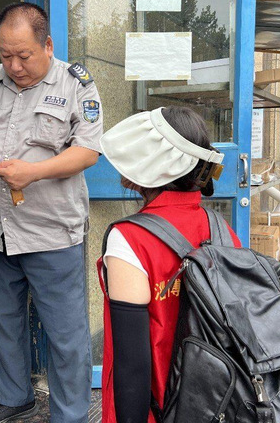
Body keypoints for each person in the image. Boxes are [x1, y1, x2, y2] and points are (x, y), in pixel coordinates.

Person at [0, 2, 103, 423]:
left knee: (65, 332)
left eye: (24, 55)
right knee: (4, 321)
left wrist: (34, 172)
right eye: (5, 54)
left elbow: (87, 152)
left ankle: (70, 415)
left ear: (47, 45)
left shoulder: (75, 85)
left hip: (51, 231)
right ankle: (13, 398)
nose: (14, 66)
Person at [96, 106, 241, 423]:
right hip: (216, 405)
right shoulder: (221, 230)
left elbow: (132, 365)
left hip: (158, 409)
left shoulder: (130, 239)